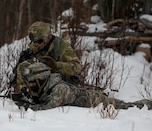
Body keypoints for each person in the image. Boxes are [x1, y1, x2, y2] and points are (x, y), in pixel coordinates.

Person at [12, 21, 152, 111]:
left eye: (40, 41)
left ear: (48, 37)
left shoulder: (61, 47)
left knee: (102, 102)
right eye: (33, 41)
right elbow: (23, 71)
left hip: (65, 87)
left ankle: (140, 105)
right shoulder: (34, 46)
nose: (36, 44)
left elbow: (76, 67)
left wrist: (57, 65)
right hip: (42, 88)